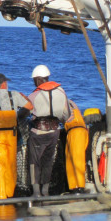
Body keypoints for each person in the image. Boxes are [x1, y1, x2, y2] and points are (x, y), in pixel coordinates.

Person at [0, 73, 32, 200]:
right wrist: (17, 116)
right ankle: (10, 193)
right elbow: (29, 107)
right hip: (12, 134)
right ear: (4, 84)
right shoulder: (14, 95)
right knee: (11, 164)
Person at [28, 64, 71, 197]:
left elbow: (26, 111)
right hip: (54, 132)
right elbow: (67, 115)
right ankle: (45, 191)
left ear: (38, 80)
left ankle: (36, 192)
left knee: (34, 162)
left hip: (38, 132)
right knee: (48, 161)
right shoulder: (62, 92)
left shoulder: (35, 95)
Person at [64, 99, 89, 194]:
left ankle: (80, 187)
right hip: (73, 131)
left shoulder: (64, 104)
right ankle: (74, 187)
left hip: (76, 131)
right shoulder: (70, 103)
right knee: (70, 159)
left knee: (77, 160)